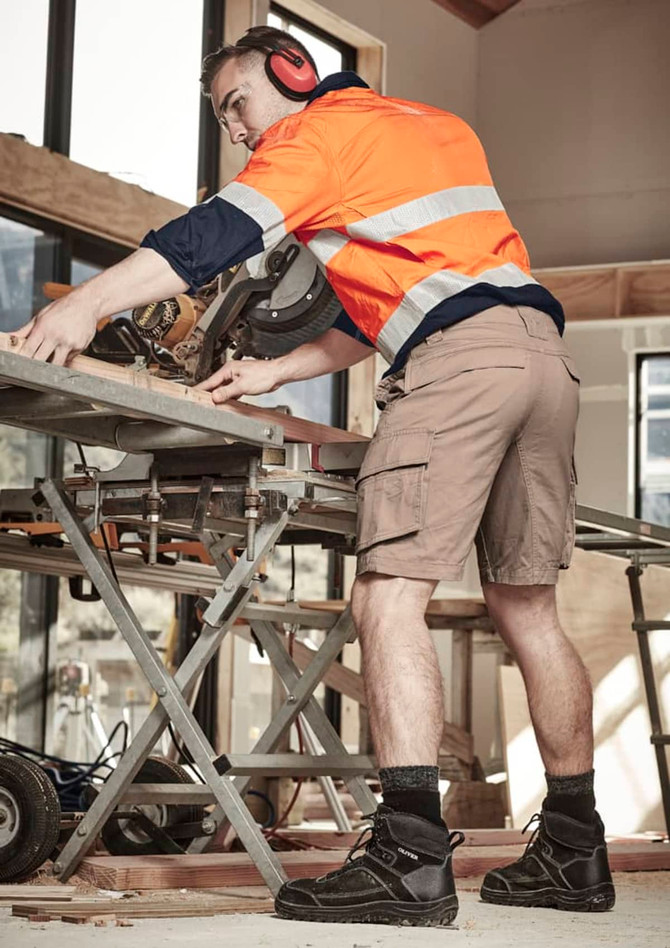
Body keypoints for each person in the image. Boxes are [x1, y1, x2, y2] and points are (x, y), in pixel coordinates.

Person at [17, 25, 615, 927]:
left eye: (238, 106)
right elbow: (410, 293)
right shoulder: (432, 128)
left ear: (292, 75)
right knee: (528, 607)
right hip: (539, 361)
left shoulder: (314, 137)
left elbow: (214, 233)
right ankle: (576, 852)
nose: (238, 130)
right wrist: (278, 370)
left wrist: (88, 305)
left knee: (386, 598)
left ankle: (411, 855)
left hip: (457, 371)